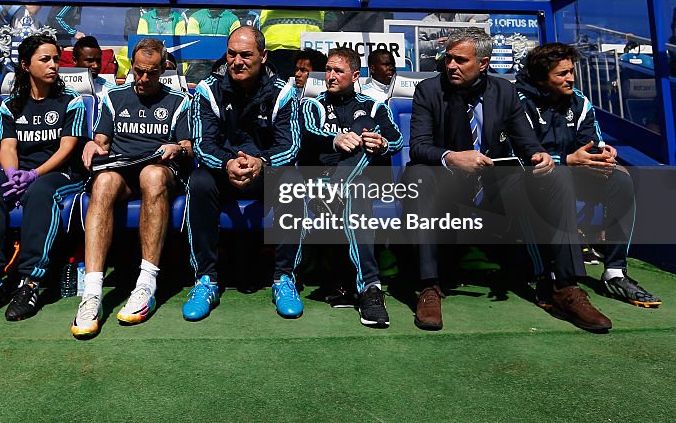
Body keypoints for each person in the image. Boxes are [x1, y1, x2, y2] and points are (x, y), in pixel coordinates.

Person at [401, 28, 611, 332]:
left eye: (460, 60)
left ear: (483, 63)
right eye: (448, 59)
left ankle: (566, 287)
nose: (450, 66)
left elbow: (525, 141)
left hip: (493, 182)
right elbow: (419, 145)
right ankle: (430, 287)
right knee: (418, 173)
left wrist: (540, 155)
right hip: (446, 180)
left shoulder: (504, 91)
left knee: (558, 176)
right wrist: (454, 156)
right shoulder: (429, 90)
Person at [516, 43, 659, 307]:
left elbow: (591, 143)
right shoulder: (518, 102)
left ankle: (615, 271)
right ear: (539, 77)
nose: (570, 78)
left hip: (570, 173)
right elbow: (517, 156)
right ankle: (546, 276)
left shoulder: (579, 101)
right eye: (561, 74)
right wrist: (567, 160)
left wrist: (602, 157)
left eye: (571, 71)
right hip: (529, 179)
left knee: (620, 178)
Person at [71, 38, 191, 338]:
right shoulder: (115, 96)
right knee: (104, 181)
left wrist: (176, 147)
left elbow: (188, 145)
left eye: (151, 73)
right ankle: (92, 292)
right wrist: (91, 147)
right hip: (123, 171)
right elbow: (102, 140)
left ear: (163, 68)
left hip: (159, 171)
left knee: (152, 175)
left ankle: (145, 285)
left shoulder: (179, 101)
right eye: (138, 71)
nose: (143, 79)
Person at [0, 34, 87, 321]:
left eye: (56, 59)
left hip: (60, 174)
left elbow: (67, 148)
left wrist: (33, 174)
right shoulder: (12, 105)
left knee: (41, 191)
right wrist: (11, 174)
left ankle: (30, 282)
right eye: (45, 59)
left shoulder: (71, 100)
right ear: (25, 65)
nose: (53, 65)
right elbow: (7, 146)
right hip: (21, 171)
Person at [183, 26, 302, 321]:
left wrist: (261, 163)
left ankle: (284, 278)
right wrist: (227, 164)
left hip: (264, 172)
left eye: (246, 55)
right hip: (224, 172)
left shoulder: (283, 92)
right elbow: (202, 144)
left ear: (263, 56)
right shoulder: (207, 89)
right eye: (232, 54)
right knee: (198, 182)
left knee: (293, 180)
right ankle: (205, 280)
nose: (237, 61)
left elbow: (291, 145)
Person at [302, 48, 402, 326]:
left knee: (367, 128)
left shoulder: (374, 105)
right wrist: (337, 139)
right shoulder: (313, 105)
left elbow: (396, 139)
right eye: (328, 71)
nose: (331, 76)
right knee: (355, 188)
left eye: (338, 71)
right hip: (324, 177)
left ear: (355, 75)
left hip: (363, 181)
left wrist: (381, 144)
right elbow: (310, 132)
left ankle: (357, 285)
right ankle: (370, 287)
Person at [71, 35, 113, 99]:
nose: (96, 66)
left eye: (98, 61)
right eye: (90, 61)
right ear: (75, 60)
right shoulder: (61, 88)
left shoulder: (111, 91)